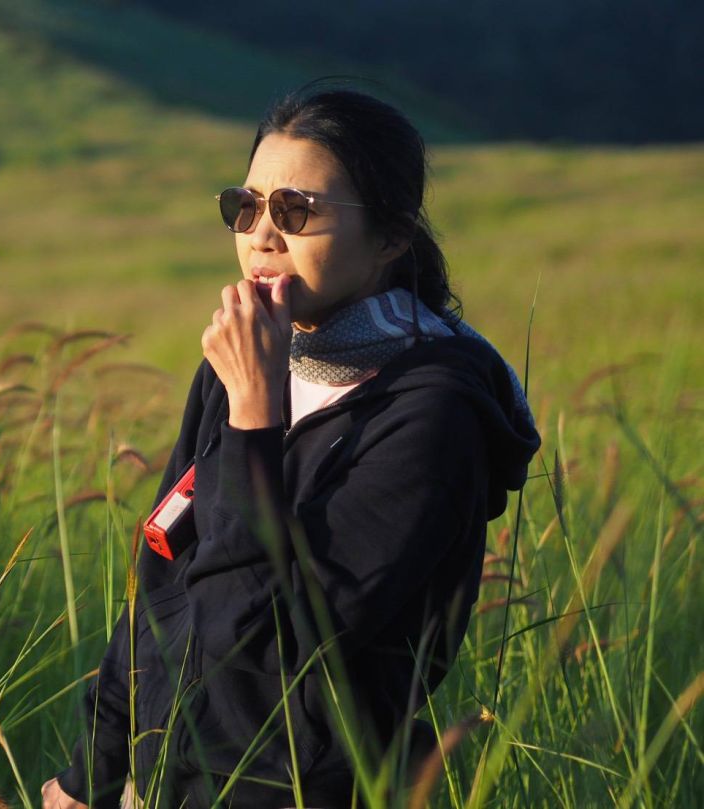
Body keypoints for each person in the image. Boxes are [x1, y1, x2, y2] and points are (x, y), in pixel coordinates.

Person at [41, 83, 541, 808]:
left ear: (391, 237)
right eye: (245, 207)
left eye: (296, 211)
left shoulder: (431, 412)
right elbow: (161, 582)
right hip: (167, 782)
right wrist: (94, 770)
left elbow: (272, 639)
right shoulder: (248, 361)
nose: (262, 236)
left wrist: (253, 417)